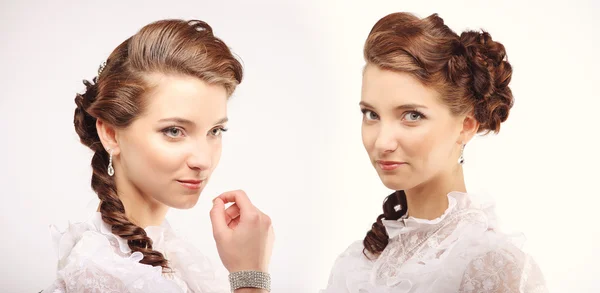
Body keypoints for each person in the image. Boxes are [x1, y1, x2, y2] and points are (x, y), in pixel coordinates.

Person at [321, 12, 548, 293]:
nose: (382, 142)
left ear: (466, 125)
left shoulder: (491, 268)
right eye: (371, 114)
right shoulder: (356, 263)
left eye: (412, 115)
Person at [42, 19, 274, 293]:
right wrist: (250, 276)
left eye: (215, 130)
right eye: (174, 131)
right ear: (111, 134)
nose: (203, 160)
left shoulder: (163, 250)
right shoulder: (104, 273)